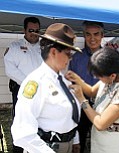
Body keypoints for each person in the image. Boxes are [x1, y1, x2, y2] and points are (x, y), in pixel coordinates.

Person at [11, 23, 82, 153]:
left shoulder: (64, 80)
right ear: (54, 52)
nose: (70, 58)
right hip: (46, 148)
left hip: (66, 144)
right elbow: (22, 133)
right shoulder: (36, 83)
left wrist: (75, 140)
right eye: (68, 53)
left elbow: (69, 113)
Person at [66, 46, 119, 153]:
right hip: (100, 139)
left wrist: (82, 100)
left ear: (112, 75)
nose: (98, 79)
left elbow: (101, 124)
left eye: (99, 76)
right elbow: (92, 91)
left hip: (114, 143)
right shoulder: (110, 80)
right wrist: (78, 80)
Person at [4, 16, 42, 153]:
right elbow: (10, 69)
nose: (34, 33)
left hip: (42, 92)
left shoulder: (44, 47)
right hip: (22, 90)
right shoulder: (15, 47)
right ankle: (19, 149)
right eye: (31, 30)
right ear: (24, 30)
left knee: (39, 122)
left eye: (37, 30)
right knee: (21, 122)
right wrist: (29, 84)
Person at [68, 20, 104, 153]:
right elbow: (71, 83)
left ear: (102, 36)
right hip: (81, 105)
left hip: (103, 106)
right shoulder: (76, 57)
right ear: (84, 35)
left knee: (101, 142)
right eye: (88, 34)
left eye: (96, 34)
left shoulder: (110, 57)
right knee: (79, 143)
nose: (92, 38)